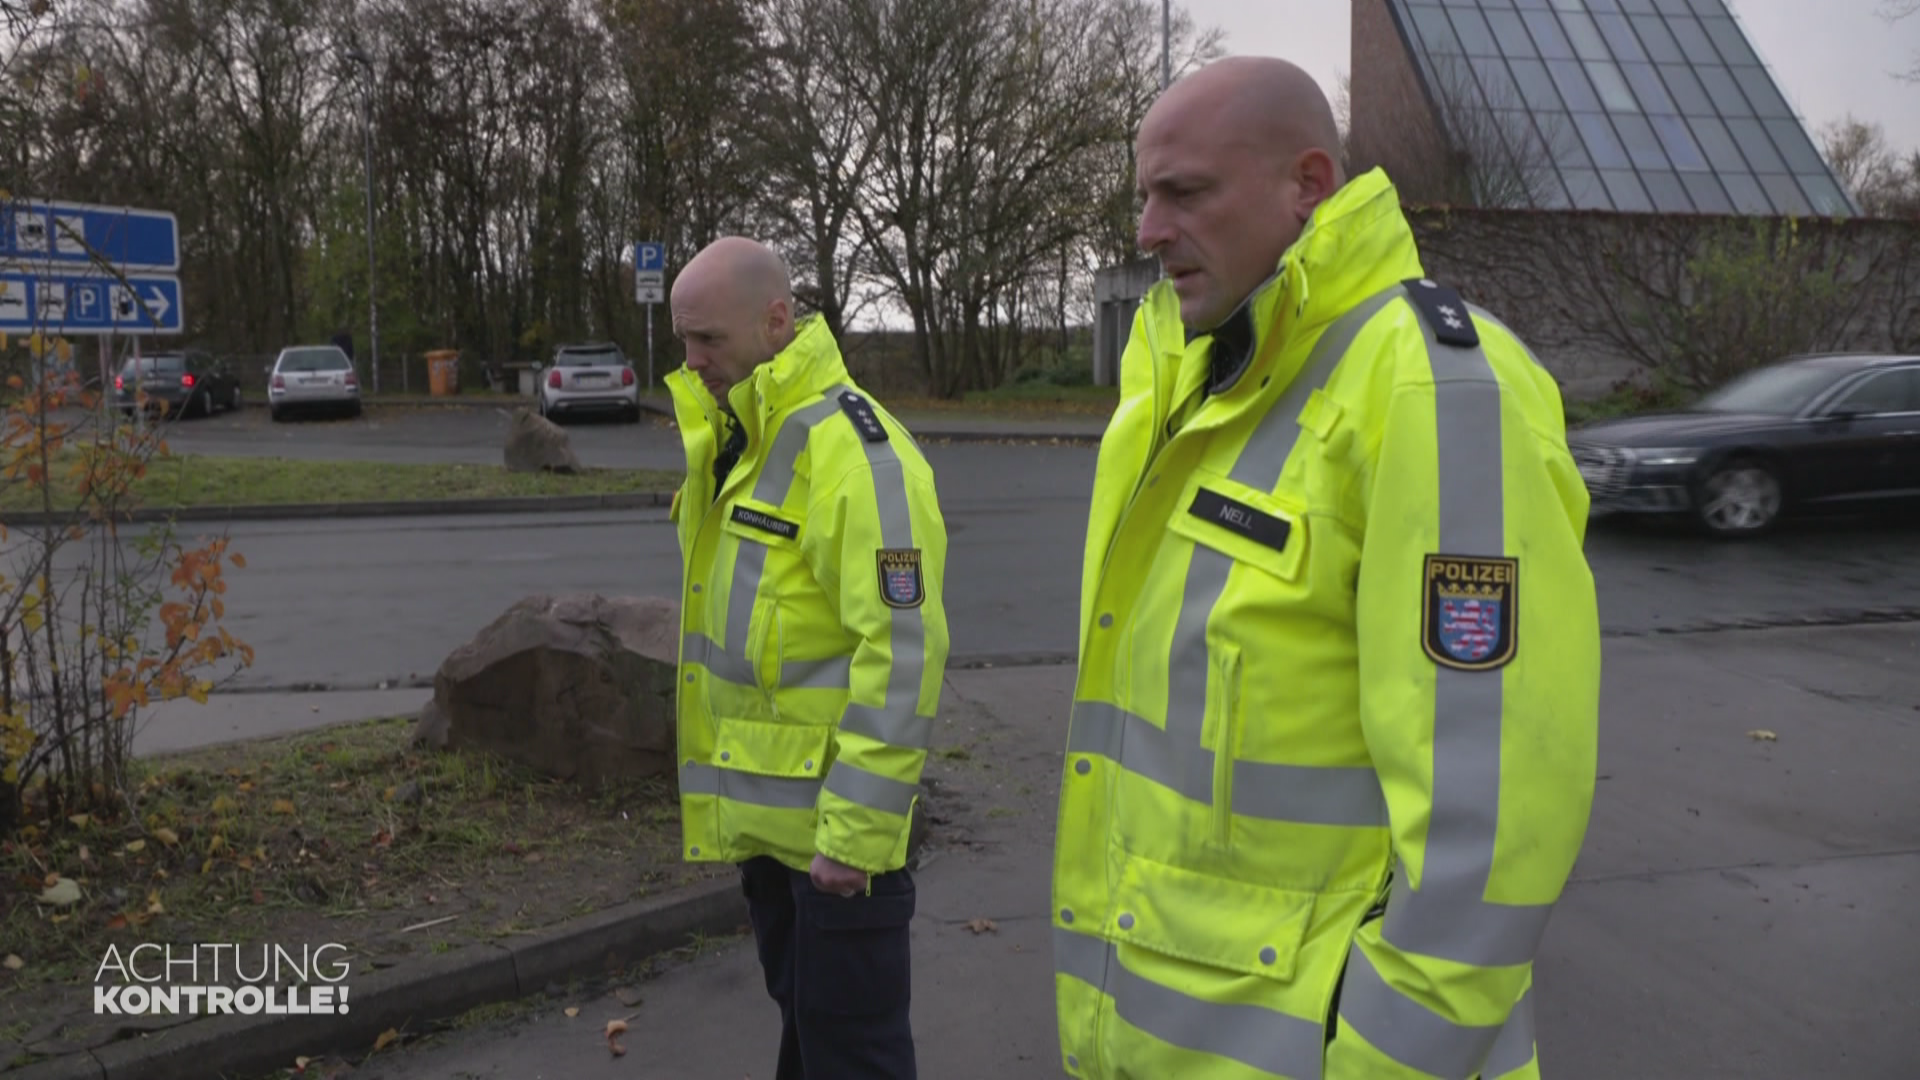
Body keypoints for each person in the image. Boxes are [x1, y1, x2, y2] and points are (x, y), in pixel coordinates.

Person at [1050, 56, 1600, 1080]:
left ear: (1307, 184)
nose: (1148, 232)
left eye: (1186, 192)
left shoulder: (1434, 391)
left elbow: (1494, 818)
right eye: (1146, 197)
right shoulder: (1194, 379)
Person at [665, 236, 949, 1079]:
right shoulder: (747, 440)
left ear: (777, 321)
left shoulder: (856, 454)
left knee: (853, 1061)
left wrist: (855, 841)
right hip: (776, 842)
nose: (692, 361)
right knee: (815, 1047)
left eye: (708, 340)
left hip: (838, 858)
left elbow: (904, 651)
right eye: (683, 341)